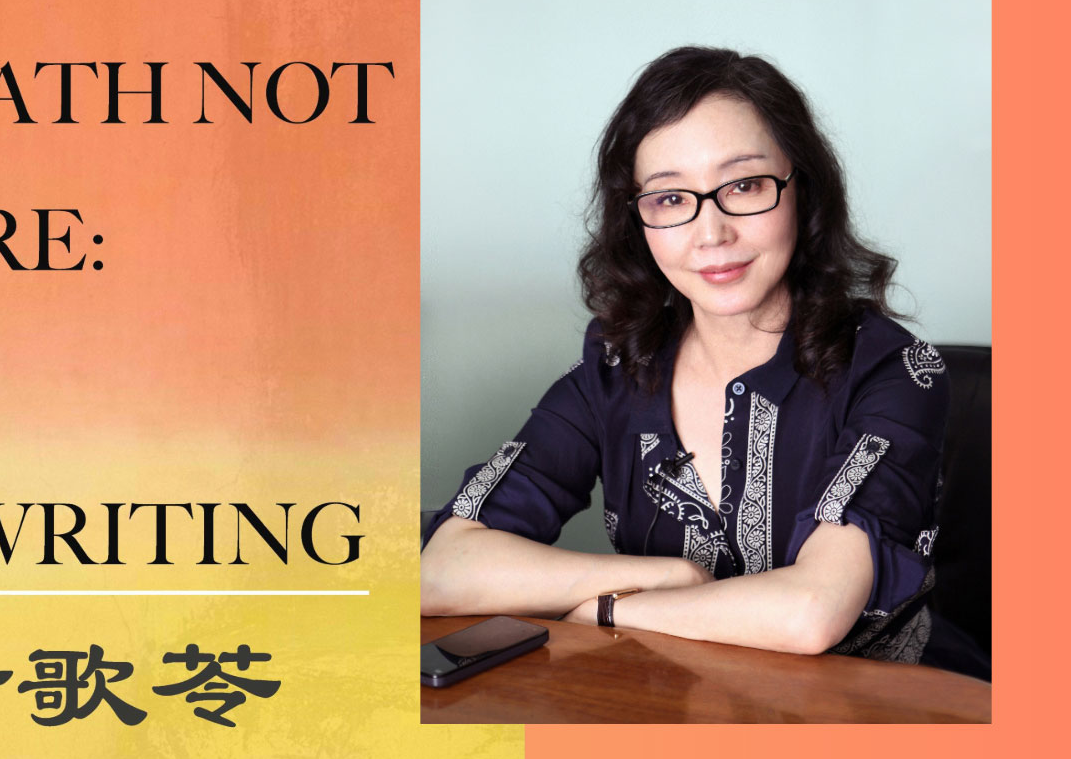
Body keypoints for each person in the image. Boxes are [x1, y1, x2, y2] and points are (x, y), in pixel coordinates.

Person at [418, 46, 985, 677]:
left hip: (883, 714)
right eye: (669, 199)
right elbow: (441, 570)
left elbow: (811, 612)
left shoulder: (894, 371)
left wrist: (609, 612)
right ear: (637, 220)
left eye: (744, 185)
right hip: (681, 709)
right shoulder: (614, 370)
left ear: (804, 189)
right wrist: (663, 575)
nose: (710, 233)